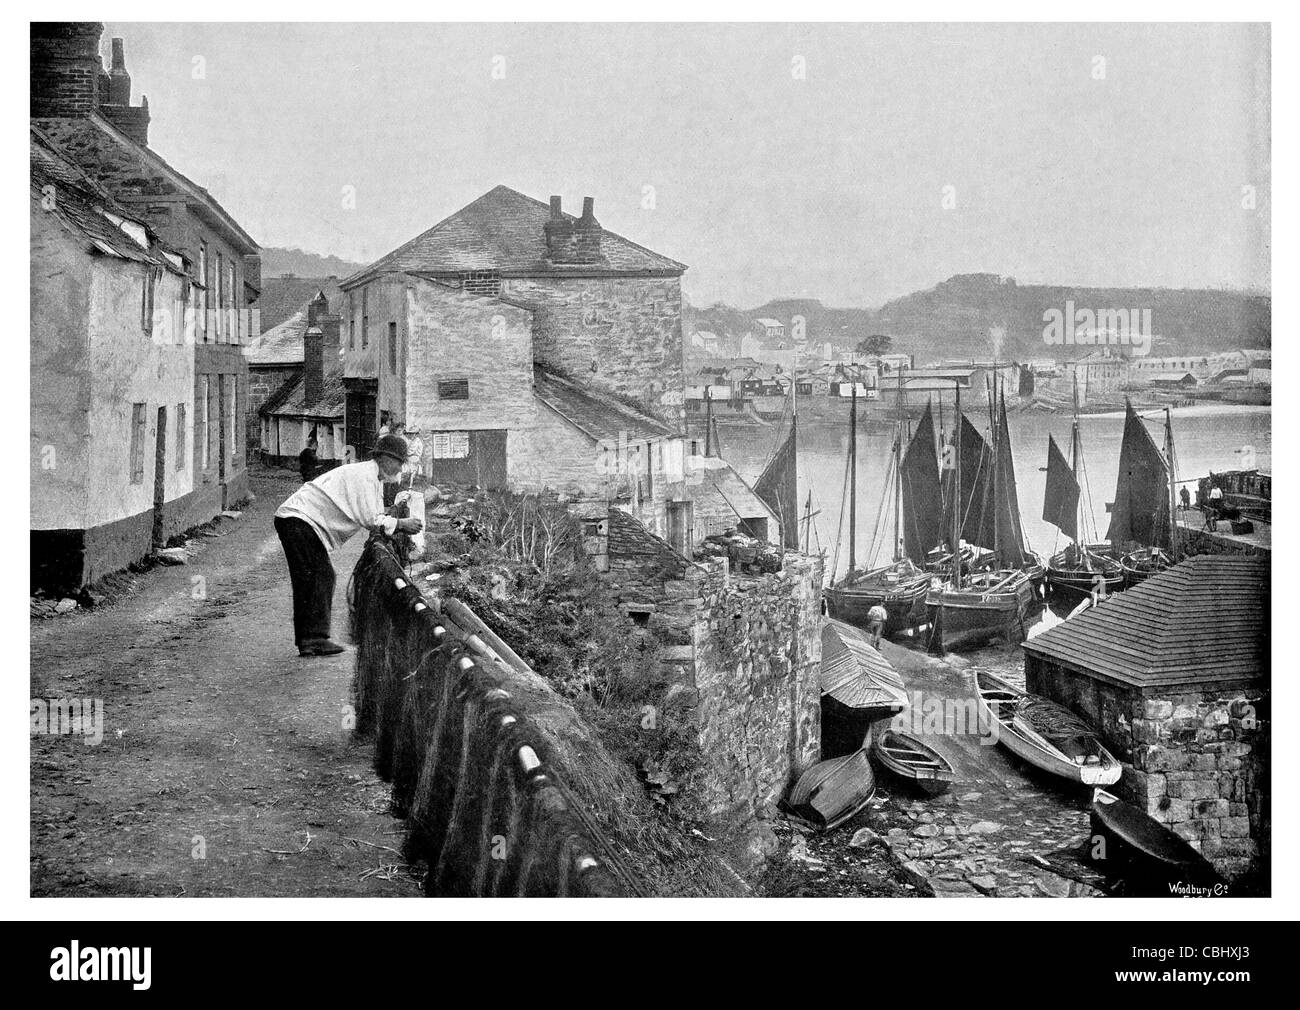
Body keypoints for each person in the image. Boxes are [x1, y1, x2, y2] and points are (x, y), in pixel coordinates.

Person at [273, 434, 424, 657]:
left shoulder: (373, 478)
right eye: (399, 462)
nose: (400, 467)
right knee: (319, 575)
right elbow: (371, 519)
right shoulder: (365, 477)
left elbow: (376, 515)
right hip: (299, 519)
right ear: (385, 458)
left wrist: (392, 522)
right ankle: (313, 639)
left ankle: (309, 640)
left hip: (299, 520)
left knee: (315, 576)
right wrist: (401, 524)